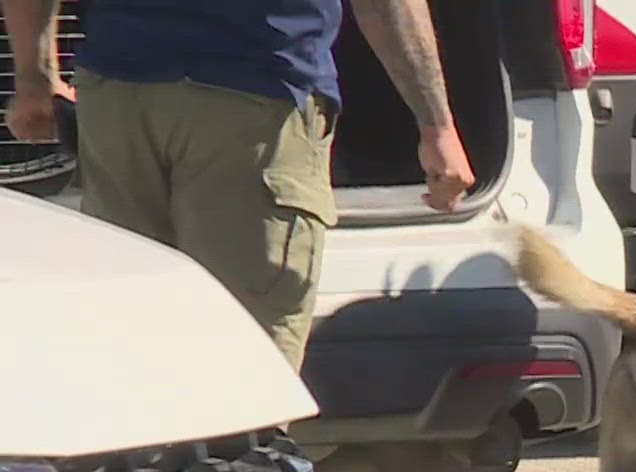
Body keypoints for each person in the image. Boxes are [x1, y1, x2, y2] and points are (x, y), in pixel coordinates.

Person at [1, 0, 475, 369]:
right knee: (248, 365)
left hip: (119, 97)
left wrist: (35, 77)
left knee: (132, 350)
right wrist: (436, 126)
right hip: (256, 102)